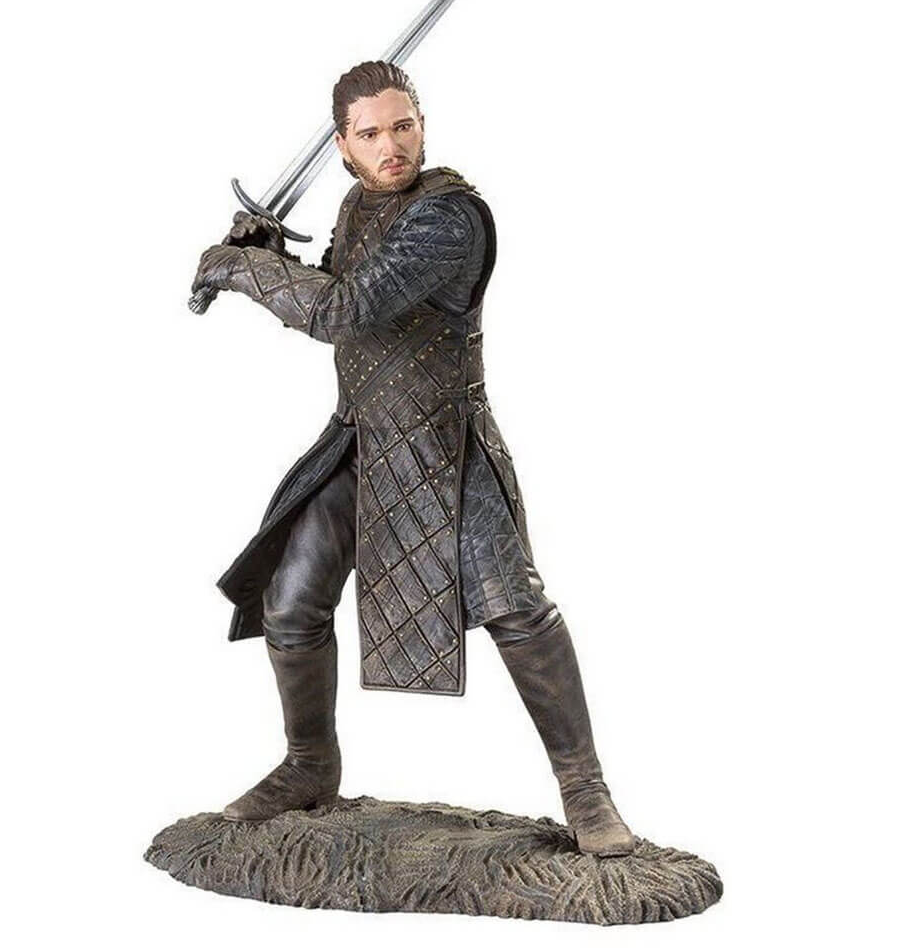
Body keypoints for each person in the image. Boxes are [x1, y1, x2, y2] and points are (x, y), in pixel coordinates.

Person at [192, 61, 635, 856]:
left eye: (402, 126)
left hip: (444, 445)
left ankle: (585, 789)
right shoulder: (360, 206)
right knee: (290, 602)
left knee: (515, 608)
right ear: (343, 146)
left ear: (423, 126)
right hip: (363, 436)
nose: (390, 145)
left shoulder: (448, 219)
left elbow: (346, 310)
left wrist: (242, 267)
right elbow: (341, 287)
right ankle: (309, 766)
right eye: (370, 133)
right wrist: (274, 254)